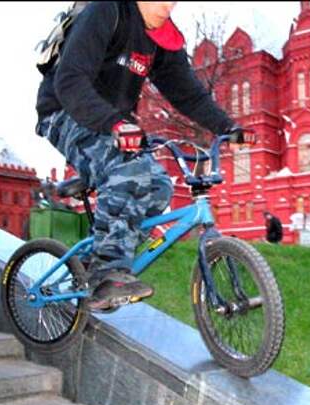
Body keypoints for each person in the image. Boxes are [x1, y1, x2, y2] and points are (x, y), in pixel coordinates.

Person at [35, 2, 247, 310]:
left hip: (115, 124)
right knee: (130, 173)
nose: (167, 4)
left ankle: (96, 261)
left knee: (159, 186)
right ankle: (106, 273)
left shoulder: (164, 39)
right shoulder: (107, 12)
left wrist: (228, 127)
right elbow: (70, 80)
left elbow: (189, 94)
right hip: (64, 111)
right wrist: (114, 123)